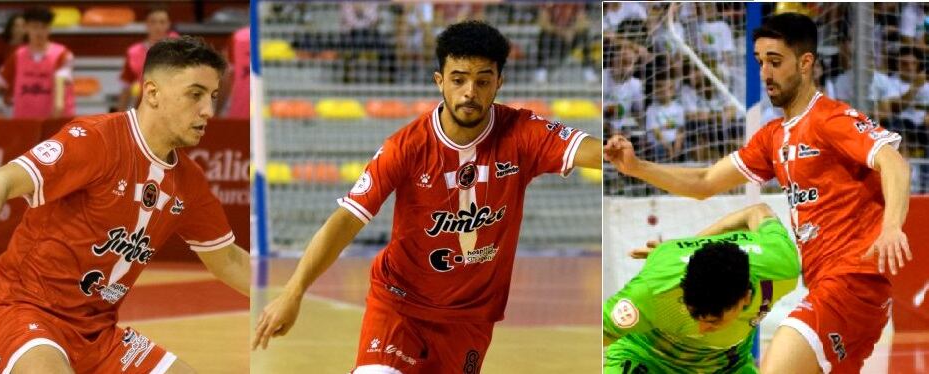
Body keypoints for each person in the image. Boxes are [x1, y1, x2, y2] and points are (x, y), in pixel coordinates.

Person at [252, 20, 603, 373]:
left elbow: (592, 150)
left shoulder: (521, 133)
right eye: (458, 79)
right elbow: (346, 219)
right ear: (440, 81)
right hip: (399, 307)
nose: (470, 92)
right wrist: (293, 291)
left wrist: (621, 155)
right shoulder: (406, 147)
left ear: (499, 83)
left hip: (470, 319)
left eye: (482, 81)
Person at [605, 13, 912, 373]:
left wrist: (892, 227)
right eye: (760, 62)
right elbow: (705, 181)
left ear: (806, 62)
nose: (765, 73)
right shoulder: (773, 137)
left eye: (776, 62)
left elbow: (893, 162)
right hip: (830, 289)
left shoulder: (830, 119)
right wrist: (637, 167)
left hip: (851, 282)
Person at [0, 36, 249, 373]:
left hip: (98, 335)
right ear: (152, 93)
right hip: (24, 312)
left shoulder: (189, 182)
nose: (208, 110)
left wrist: (284, 297)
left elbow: (229, 259)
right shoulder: (96, 139)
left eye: (214, 97)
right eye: (196, 95)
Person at [604, 203, 800, 373]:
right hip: (647, 357)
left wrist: (677, 249)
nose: (701, 328)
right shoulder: (653, 289)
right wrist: (681, 249)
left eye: (713, 321)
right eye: (693, 314)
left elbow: (757, 211)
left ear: (746, 297)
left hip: (726, 366)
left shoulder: (780, 266)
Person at [0, 7, 75, 123]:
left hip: (56, 121)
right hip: (25, 122)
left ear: (49, 29)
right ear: (26, 28)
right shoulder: (18, 55)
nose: (39, 32)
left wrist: (58, 105)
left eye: (43, 27)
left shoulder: (62, 54)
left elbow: (60, 80)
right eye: (35, 27)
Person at [116, 7, 177, 111]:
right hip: (145, 106)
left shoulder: (179, 47)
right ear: (147, 24)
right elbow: (126, 86)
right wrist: (119, 115)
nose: (158, 26)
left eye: (162, 22)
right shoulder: (133, 52)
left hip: (174, 105)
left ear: (168, 24)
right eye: (153, 22)